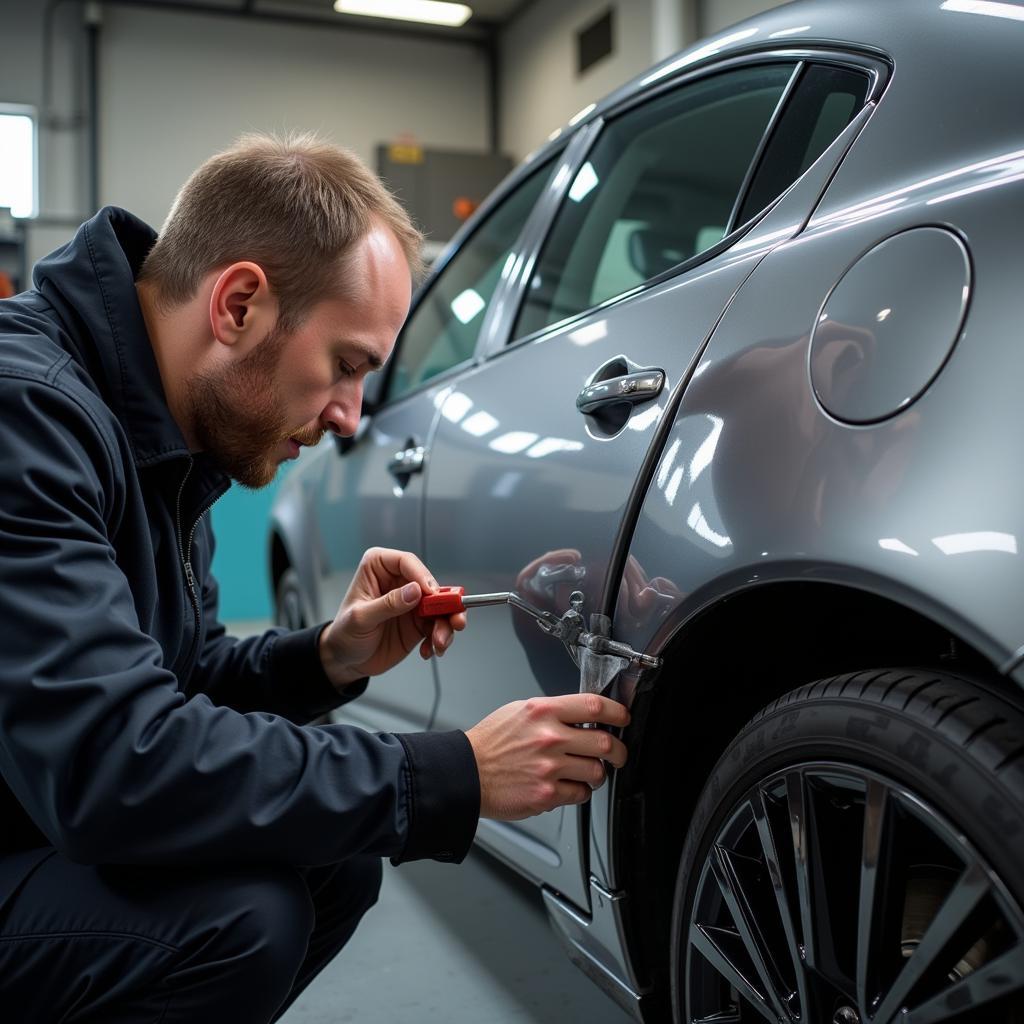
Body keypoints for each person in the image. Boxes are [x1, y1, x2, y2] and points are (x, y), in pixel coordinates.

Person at [0, 133, 629, 1022]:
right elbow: (111, 765)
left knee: (334, 864)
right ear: (240, 303)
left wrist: (326, 659)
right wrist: (446, 775)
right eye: (345, 366)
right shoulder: (26, 413)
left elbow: (179, 683)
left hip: (31, 812)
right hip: (39, 815)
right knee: (239, 919)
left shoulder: (167, 429)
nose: (349, 417)